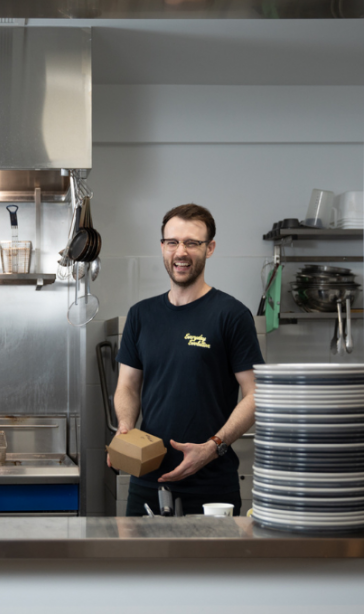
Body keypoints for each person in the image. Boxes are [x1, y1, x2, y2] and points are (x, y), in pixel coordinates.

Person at [110, 203, 264, 516]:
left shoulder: (231, 315)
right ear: (163, 247)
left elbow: (256, 393)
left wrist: (213, 447)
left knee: (208, 567)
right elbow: (127, 385)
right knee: (140, 564)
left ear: (210, 249)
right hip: (147, 478)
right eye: (173, 242)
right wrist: (125, 427)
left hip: (211, 482)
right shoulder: (141, 315)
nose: (181, 252)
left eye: (192, 243)